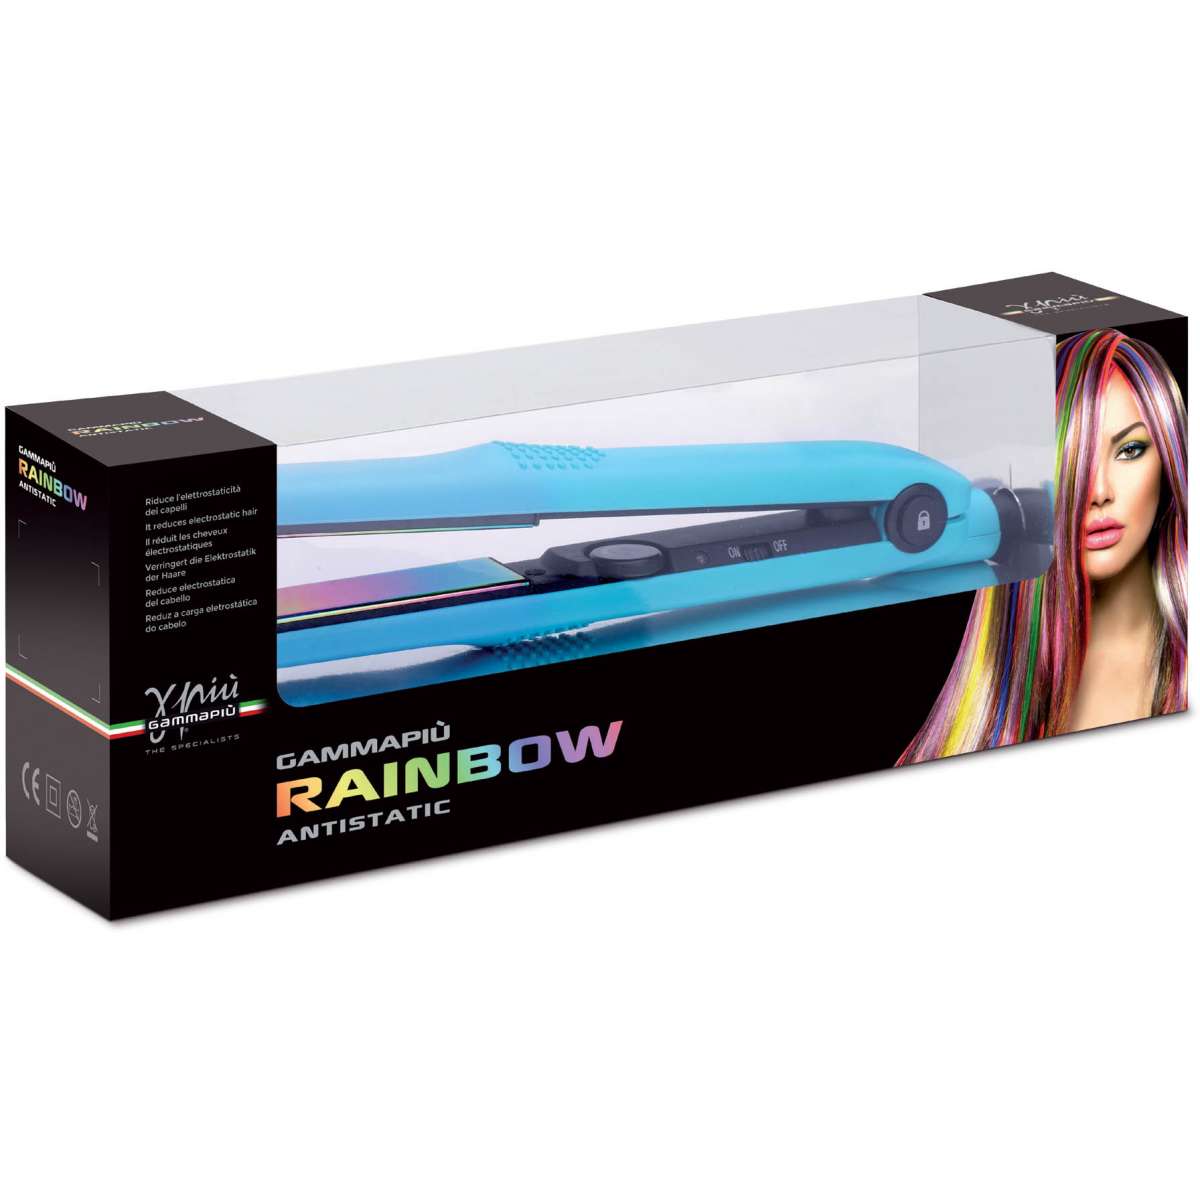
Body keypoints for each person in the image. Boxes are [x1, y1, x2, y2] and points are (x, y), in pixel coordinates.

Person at [898, 329, 1187, 763]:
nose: (1099, 492)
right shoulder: (982, 717)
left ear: (1169, 459)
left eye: (1130, 450)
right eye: (1067, 459)